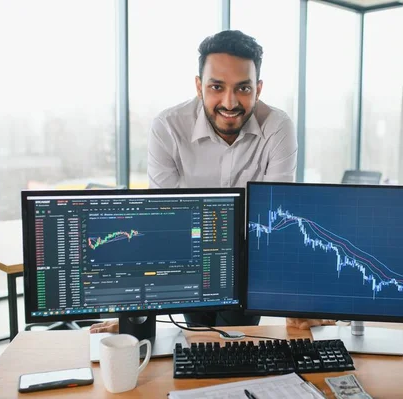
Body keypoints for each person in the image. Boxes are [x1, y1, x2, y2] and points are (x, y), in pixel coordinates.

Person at [90, 30, 333, 334]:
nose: (229, 102)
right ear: (198, 86)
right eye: (216, 87)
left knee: (234, 348)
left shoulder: (278, 127)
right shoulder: (167, 128)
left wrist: (291, 302)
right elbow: (164, 223)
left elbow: (276, 222)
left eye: (243, 88)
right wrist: (139, 312)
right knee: (196, 342)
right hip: (188, 258)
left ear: (257, 89)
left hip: (248, 259)